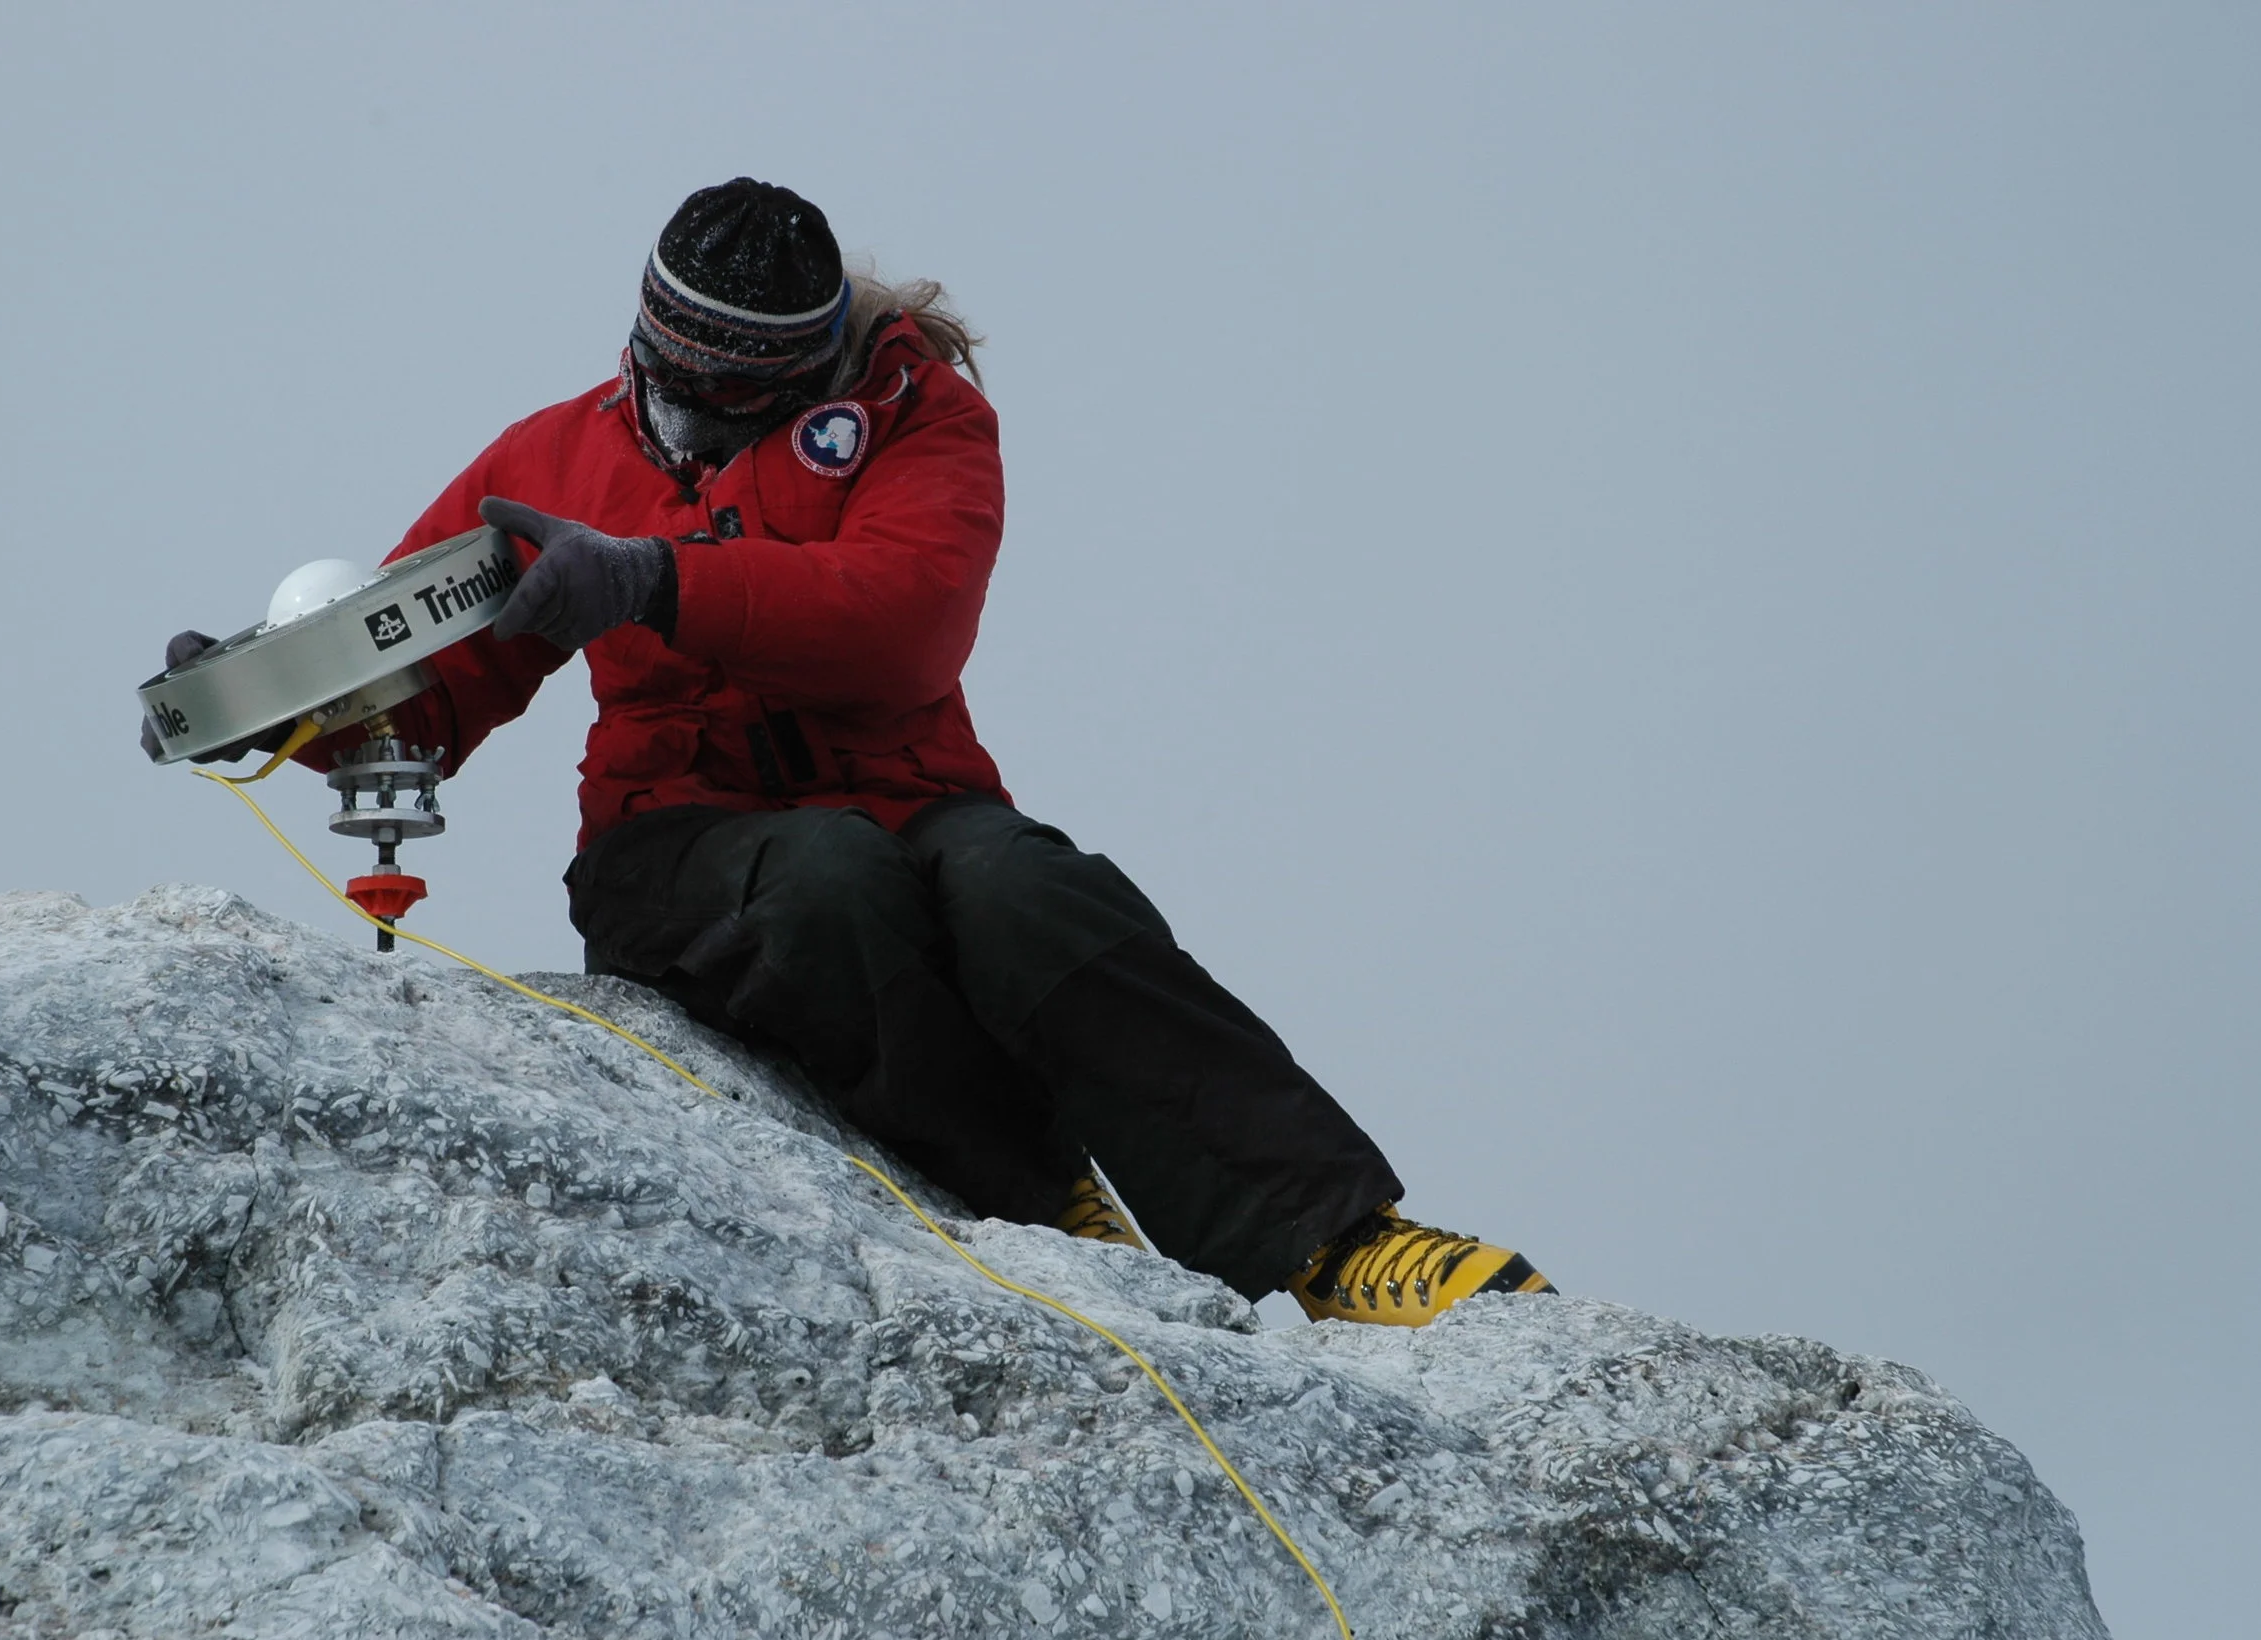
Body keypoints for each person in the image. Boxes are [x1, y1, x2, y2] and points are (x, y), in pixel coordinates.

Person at [148, 179, 1552, 1325]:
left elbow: (907, 625)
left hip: (917, 800)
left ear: (806, 368)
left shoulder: (919, 423)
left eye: (722, 411)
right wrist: (295, 699)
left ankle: (1332, 1243)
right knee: (825, 886)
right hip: (676, 849)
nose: (681, 432)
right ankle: (1035, 1191)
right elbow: (434, 684)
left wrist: (653, 580)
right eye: (663, 394)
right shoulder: (562, 455)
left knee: (1028, 890)